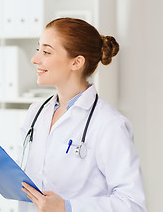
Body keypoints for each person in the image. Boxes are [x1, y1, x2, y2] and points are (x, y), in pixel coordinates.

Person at [19, 18, 146, 212]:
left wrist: (68, 207)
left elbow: (132, 204)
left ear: (76, 62)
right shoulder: (36, 113)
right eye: (38, 50)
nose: (35, 59)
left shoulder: (109, 124)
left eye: (46, 52)